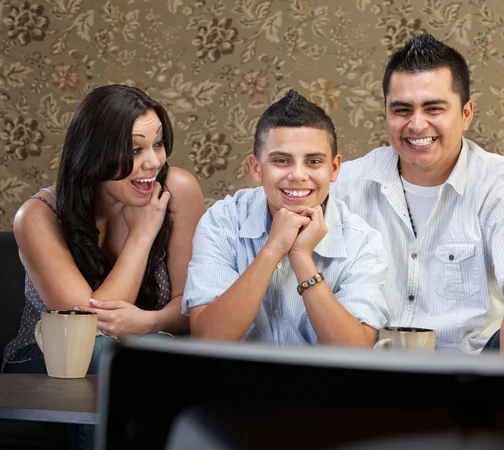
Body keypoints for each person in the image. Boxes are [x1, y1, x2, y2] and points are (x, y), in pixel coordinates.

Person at [330, 34, 504, 355]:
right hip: (371, 373)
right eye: (401, 109)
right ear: (386, 112)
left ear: (466, 114)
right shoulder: (345, 183)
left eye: (433, 108)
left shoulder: (501, 184)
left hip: (469, 378)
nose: (416, 124)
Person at [2, 85, 206, 448]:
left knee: (149, 356)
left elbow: (193, 305)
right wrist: (142, 236)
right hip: (46, 358)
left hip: (147, 345)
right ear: (94, 153)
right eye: (134, 149)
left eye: (158, 144)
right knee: (113, 354)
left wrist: (149, 322)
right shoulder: (37, 215)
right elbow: (91, 329)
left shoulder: (178, 190)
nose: (153, 162)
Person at [183, 90, 389, 345]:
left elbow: (354, 351)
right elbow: (207, 339)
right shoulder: (222, 221)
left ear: (334, 168)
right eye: (282, 160)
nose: (298, 175)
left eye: (313, 161)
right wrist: (273, 249)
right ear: (257, 168)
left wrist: (302, 258)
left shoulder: (363, 241)